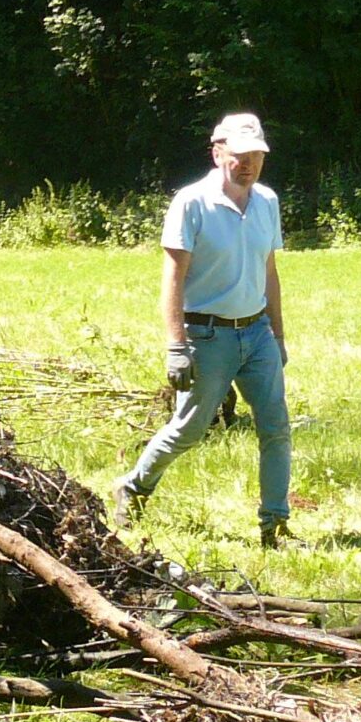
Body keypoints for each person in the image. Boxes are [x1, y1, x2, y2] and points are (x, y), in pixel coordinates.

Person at [110, 113, 293, 548]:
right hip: (208, 336)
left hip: (257, 333)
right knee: (189, 429)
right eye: (239, 155)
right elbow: (172, 278)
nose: (247, 164)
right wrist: (177, 346)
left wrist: (278, 335)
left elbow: (269, 271)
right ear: (217, 153)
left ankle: (275, 524)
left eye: (255, 156)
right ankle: (133, 486)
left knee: (276, 427)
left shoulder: (266, 202)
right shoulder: (191, 202)